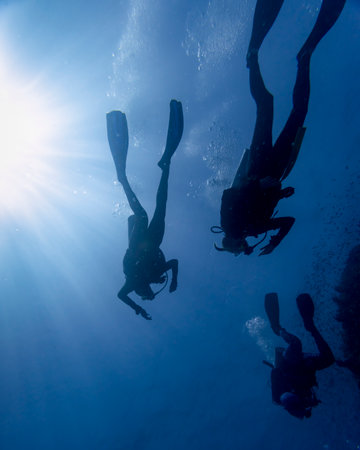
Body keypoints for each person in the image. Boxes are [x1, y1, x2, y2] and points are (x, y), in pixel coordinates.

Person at [214, 0, 346, 256]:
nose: (242, 245)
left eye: (237, 247)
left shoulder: (229, 226)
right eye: (240, 247)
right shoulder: (256, 229)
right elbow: (288, 222)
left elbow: (228, 196)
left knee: (266, 105)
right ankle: (305, 56)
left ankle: (252, 55)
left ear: (232, 243)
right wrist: (275, 241)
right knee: (299, 112)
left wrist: (257, 186)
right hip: (279, 169)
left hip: (259, 166)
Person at [106, 100, 183, 320]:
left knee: (143, 215)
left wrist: (138, 309)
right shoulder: (156, 274)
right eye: (149, 294)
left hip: (137, 244)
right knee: (162, 207)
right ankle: (165, 167)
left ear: (142, 292)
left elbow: (121, 295)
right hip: (155, 241)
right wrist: (174, 279)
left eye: (145, 295)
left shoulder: (133, 283)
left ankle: (122, 179)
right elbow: (175, 262)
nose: (148, 292)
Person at [264, 293, 335, 419]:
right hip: (304, 366)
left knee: (296, 343)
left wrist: (296, 401)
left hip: (289, 364)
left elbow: (285, 398)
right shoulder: (303, 402)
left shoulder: (287, 399)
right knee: (328, 359)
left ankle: (277, 329)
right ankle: (310, 326)